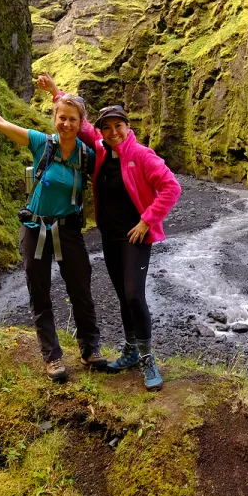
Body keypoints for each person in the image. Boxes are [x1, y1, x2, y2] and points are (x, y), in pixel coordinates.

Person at [0, 69, 105, 383]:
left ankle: (90, 350)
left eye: (72, 119)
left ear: (81, 124)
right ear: (54, 118)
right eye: (61, 117)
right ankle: (52, 357)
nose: (66, 124)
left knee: (80, 290)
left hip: (68, 229)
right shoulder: (43, 144)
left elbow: (115, 173)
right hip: (35, 228)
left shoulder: (88, 155)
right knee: (39, 293)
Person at [37, 73, 181, 391]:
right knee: (122, 296)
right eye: (108, 127)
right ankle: (130, 350)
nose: (113, 131)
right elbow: (78, 123)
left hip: (137, 236)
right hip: (110, 236)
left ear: (128, 127)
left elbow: (171, 186)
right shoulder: (101, 152)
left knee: (134, 295)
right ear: (102, 131)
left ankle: (147, 357)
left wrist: (147, 220)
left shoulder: (142, 155)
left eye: (119, 125)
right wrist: (55, 91)